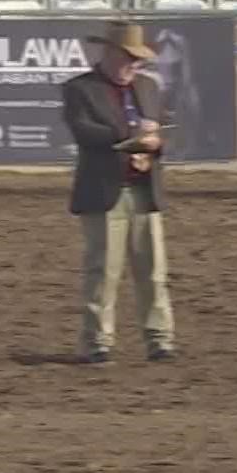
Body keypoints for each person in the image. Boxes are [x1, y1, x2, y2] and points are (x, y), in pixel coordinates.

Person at [60, 21, 177, 364]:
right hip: (104, 190)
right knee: (103, 270)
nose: (134, 66)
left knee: (153, 270)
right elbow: (85, 132)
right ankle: (97, 340)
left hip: (143, 189)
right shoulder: (79, 89)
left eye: (137, 60)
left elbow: (162, 130)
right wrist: (131, 136)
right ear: (109, 53)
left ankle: (160, 339)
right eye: (129, 58)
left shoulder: (148, 87)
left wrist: (152, 146)